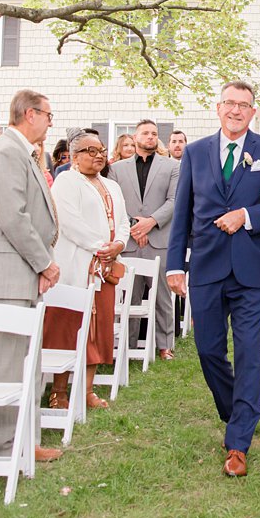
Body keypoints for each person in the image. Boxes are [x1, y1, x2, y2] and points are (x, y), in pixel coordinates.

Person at [166, 80, 260, 478]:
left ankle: (238, 441)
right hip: (206, 266)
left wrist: (249, 215)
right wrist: (174, 264)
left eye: (244, 105)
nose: (236, 110)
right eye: (230, 104)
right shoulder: (194, 152)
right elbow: (182, 212)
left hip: (253, 269)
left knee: (249, 349)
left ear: (253, 112)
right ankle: (238, 407)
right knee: (207, 350)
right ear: (218, 108)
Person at [0, 90, 63, 464]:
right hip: (8, 274)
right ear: (30, 114)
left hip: (19, 273)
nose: (51, 122)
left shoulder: (20, 152)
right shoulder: (7, 152)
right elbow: (13, 216)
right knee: (4, 366)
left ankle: (23, 440)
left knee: (26, 363)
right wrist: (45, 262)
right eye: (48, 114)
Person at [49, 130, 129, 410]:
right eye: (90, 151)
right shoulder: (65, 181)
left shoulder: (112, 185)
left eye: (101, 150)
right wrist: (100, 246)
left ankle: (86, 390)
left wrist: (118, 243)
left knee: (99, 329)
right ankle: (59, 391)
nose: (98, 156)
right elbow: (67, 221)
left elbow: (123, 221)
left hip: (104, 268)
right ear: (74, 155)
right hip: (76, 266)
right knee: (67, 326)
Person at [110, 120, 181, 361]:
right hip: (130, 241)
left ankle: (164, 345)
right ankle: (126, 345)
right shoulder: (117, 169)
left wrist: (150, 222)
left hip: (159, 239)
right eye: (145, 133)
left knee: (162, 295)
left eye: (153, 133)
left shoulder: (172, 166)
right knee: (129, 295)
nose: (150, 137)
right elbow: (115, 203)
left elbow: (174, 200)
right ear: (135, 136)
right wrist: (134, 226)